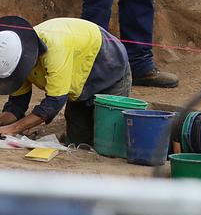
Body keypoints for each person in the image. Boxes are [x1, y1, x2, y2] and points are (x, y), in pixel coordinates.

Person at [0, 15, 131, 146]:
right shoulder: (17, 58)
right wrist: (3, 124)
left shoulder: (55, 50)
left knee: (107, 142)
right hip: (79, 83)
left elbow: (54, 102)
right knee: (78, 143)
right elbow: (17, 104)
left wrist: (14, 128)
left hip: (110, 65)